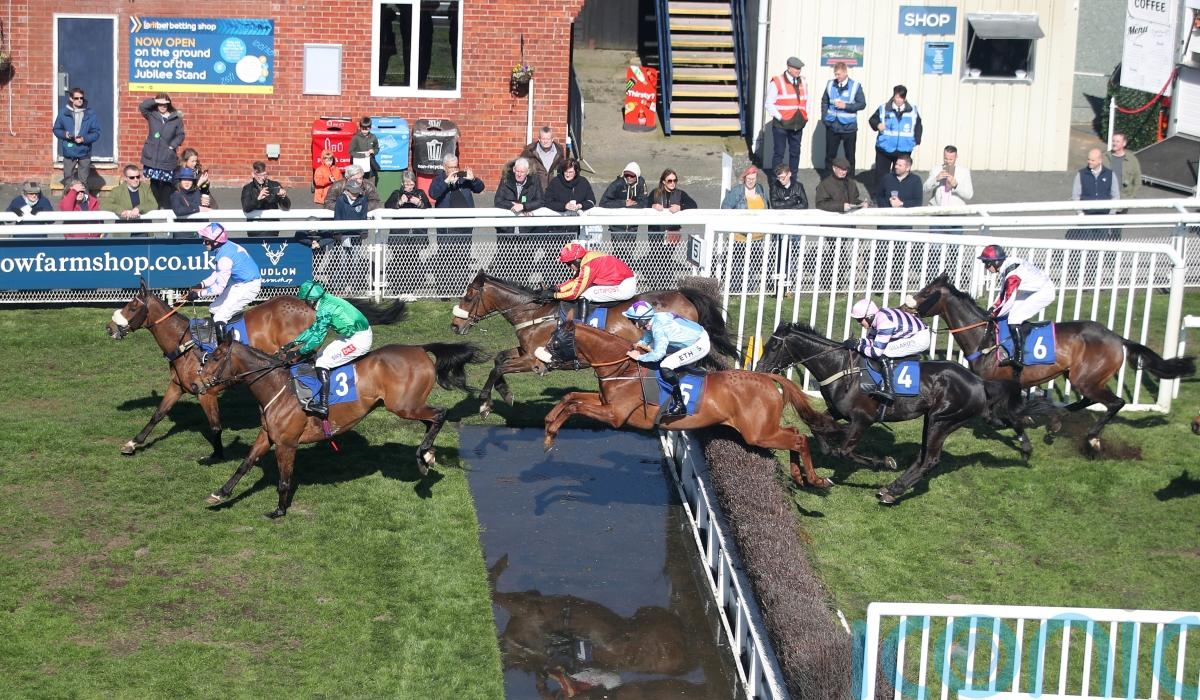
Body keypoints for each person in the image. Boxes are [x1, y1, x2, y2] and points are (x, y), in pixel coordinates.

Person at [278, 280, 372, 418]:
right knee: (321, 356)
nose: (306, 304)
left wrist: (298, 352)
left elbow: (317, 338)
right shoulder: (325, 301)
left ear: (311, 300)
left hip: (359, 340)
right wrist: (293, 343)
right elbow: (314, 329)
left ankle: (323, 405)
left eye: (306, 301)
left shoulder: (325, 309)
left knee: (323, 363)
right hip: (350, 335)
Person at [622, 299, 711, 424]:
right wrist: (640, 343)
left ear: (642, 320)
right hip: (692, 337)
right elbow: (649, 335)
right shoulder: (653, 320)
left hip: (699, 344)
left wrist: (638, 357)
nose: (632, 323)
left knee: (666, 364)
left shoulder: (659, 328)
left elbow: (658, 354)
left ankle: (680, 405)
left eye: (633, 320)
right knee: (653, 350)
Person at [978, 244, 1056, 372]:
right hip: (1032, 288)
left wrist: (993, 314)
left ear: (996, 262)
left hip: (1043, 292)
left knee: (1014, 318)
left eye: (987, 263)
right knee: (1011, 314)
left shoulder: (1012, 274)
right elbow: (1003, 293)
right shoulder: (1007, 266)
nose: (986, 267)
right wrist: (993, 308)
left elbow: (1008, 299)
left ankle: (1018, 358)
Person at [184, 223, 263, 340]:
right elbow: (217, 274)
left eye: (206, 240)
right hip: (241, 283)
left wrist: (198, 294)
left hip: (248, 286)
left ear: (216, 241)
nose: (204, 243)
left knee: (219, 317)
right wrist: (201, 284)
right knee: (214, 308)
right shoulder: (224, 247)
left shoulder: (225, 258)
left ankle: (225, 349)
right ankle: (226, 335)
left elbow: (218, 288)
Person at [848, 299, 931, 404]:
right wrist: (858, 341)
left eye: (860, 319)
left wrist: (857, 346)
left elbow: (876, 352)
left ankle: (889, 390)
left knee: (884, 352)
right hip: (914, 334)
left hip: (919, 339)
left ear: (869, 316)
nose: (859, 323)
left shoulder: (884, 322)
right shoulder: (878, 317)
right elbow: (872, 341)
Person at [542, 242, 637, 321]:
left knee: (586, 294)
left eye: (568, 263)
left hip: (624, 287)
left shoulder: (588, 266)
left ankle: (581, 326)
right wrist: (557, 288)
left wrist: (554, 295)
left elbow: (574, 294)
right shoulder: (587, 257)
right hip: (621, 281)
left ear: (577, 260)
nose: (568, 266)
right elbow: (576, 280)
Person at [764, 56, 809, 175]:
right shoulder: (777, 81)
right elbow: (769, 103)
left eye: (800, 69)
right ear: (789, 68)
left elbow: (805, 101)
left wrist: (805, 116)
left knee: (795, 153)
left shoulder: (803, 81)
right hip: (781, 125)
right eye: (796, 68)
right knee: (779, 153)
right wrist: (781, 118)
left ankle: (792, 180)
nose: (798, 71)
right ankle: (775, 181)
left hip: (798, 124)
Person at [138, 93, 185, 208]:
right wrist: (155, 100)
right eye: (160, 104)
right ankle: (155, 208)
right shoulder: (151, 115)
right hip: (152, 156)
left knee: (166, 185)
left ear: (169, 104)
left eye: (165, 104)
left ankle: (166, 209)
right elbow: (142, 106)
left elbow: (180, 135)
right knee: (154, 183)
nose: (163, 106)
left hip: (167, 157)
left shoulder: (176, 118)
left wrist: (172, 146)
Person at [868, 85, 922, 184]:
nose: (899, 100)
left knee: (899, 176)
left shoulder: (913, 110)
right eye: (897, 97)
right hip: (884, 148)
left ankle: (896, 193)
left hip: (904, 149)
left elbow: (918, 126)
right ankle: (880, 193)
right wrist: (877, 124)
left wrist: (916, 141)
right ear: (893, 96)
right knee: (881, 176)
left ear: (905, 98)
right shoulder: (883, 108)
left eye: (901, 97)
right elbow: (872, 119)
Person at [820, 62, 865, 176]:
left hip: (848, 128)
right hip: (832, 126)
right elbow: (825, 101)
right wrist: (824, 117)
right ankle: (827, 181)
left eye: (839, 74)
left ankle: (849, 181)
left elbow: (862, 104)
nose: (836, 77)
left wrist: (846, 106)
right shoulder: (830, 84)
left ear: (845, 72)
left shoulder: (855, 86)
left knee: (850, 157)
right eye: (835, 74)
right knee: (830, 156)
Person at [52, 87, 101, 190]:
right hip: (69, 150)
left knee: (83, 182)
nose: (79, 100)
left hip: (84, 150)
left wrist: (84, 139)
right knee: (68, 180)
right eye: (76, 98)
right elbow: (56, 129)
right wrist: (65, 134)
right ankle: (67, 198)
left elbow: (96, 132)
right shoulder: (63, 113)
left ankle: (85, 199)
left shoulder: (90, 113)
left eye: (81, 98)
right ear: (71, 99)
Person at [647, 168, 697, 243]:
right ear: (664, 182)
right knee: (655, 250)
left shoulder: (680, 193)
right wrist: (653, 206)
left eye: (675, 180)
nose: (673, 183)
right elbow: (644, 204)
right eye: (670, 181)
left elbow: (693, 204)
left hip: (673, 231)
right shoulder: (655, 193)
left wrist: (680, 207)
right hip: (656, 231)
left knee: (669, 251)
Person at [520, 125, 567, 190]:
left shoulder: (559, 152)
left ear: (552, 139)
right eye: (543, 139)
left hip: (554, 191)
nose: (545, 141)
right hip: (534, 191)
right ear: (539, 139)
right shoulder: (529, 152)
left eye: (548, 139)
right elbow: (521, 170)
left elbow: (560, 171)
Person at [1103, 132, 1141, 205]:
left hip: (1124, 200)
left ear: (1124, 143)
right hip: (1106, 199)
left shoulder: (1132, 160)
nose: (1114, 143)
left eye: (1117, 141)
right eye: (1113, 141)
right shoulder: (1104, 157)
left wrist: (1131, 198)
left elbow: (1137, 181)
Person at [348, 116, 380, 184]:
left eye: (367, 129)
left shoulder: (373, 137)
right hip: (358, 165)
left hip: (370, 167)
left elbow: (377, 148)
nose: (365, 131)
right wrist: (363, 155)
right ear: (360, 127)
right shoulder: (356, 137)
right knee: (359, 185)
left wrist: (373, 151)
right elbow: (351, 152)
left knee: (370, 185)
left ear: (370, 128)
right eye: (363, 129)